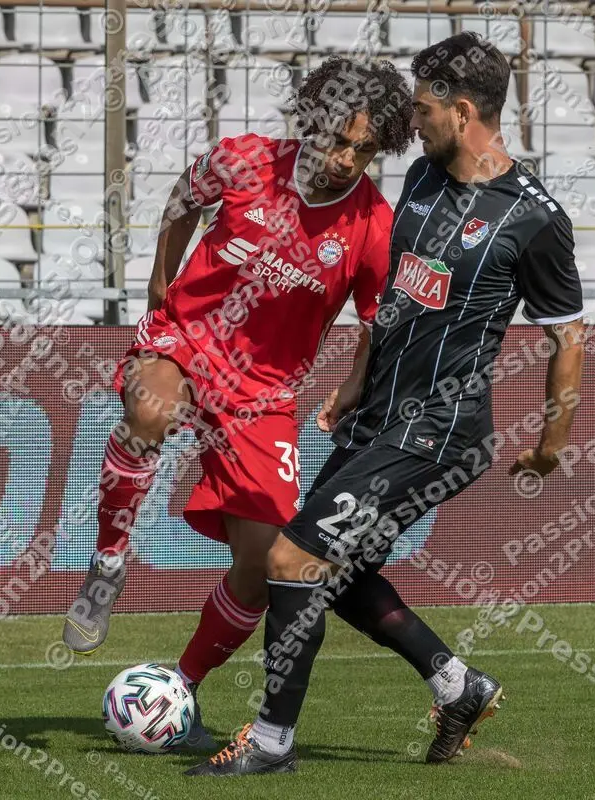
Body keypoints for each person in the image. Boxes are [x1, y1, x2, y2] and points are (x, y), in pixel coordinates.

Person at [187, 32, 586, 776]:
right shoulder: (425, 180)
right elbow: (396, 301)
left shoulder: (533, 216)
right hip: (381, 416)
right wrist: (354, 379)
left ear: (463, 112)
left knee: (293, 555)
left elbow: (569, 337)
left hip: (437, 430)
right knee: (335, 577)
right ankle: (458, 684)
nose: (413, 120)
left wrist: (552, 441)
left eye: (426, 107)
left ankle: (272, 742)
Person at [62, 56, 480, 749]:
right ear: (310, 123)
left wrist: (353, 384)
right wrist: (160, 292)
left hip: (262, 395)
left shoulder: (375, 225)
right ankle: (108, 563)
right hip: (189, 341)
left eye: (364, 148)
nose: (346, 158)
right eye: (336, 139)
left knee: (263, 569)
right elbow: (180, 201)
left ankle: (181, 689)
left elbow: (378, 324)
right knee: (149, 411)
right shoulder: (243, 160)